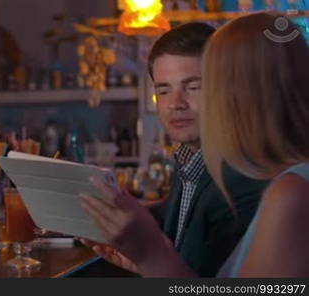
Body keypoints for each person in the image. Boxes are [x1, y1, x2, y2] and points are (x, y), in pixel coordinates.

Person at [80, 12, 309, 277]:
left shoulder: (290, 191)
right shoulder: (283, 180)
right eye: (163, 90)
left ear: (253, 89)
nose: (177, 103)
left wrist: (152, 256)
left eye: (202, 85)